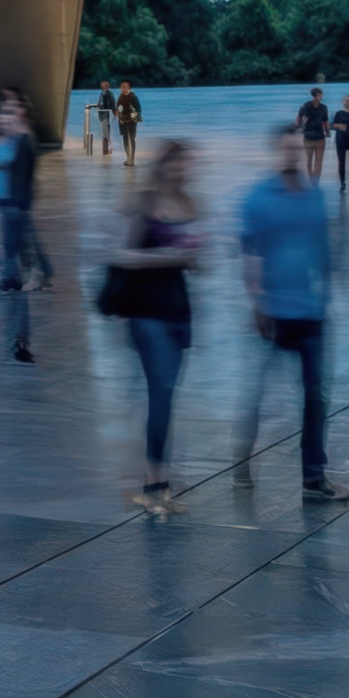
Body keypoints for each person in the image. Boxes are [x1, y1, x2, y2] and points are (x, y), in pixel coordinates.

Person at [236, 126, 348, 502]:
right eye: (283, 149)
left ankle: (313, 477)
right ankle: (242, 457)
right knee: (259, 393)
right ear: (275, 151)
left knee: (316, 394)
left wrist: (330, 290)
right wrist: (256, 302)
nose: (289, 155)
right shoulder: (258, 199)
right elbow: (250, 255)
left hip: (310, 311)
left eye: (293, 149)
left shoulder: (314, 197)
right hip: (272, 313)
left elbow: (324, 249)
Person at [109, 139, 199, 516]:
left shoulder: (190, 205)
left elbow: (198, 259)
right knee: (160, 393)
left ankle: (159, 479)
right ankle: (154, 482)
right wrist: (163, 256)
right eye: (175, 165)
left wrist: (193, 257)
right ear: (162, 167)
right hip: (147, 314)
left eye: (185, 166)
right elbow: (120, 254)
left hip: (178, 310)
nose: (181, 172)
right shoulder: (143, 204)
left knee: (166, 397)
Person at [0, 93, 44, 362]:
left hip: (15, 212)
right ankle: (19, 337)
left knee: (15, 274)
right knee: (13, 271)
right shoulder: (14, 142)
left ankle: (20, 337)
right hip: (11, 210)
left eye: (9, 114)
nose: (3, 118)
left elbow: (25, 178)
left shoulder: (23, 143)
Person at [296, 87, 329, 180]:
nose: (321, 96)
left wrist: (327, 132)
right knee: (309, 160)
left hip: (320, 137)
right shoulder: (305, 106)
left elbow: (325, 121)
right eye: (319, 95)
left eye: (321, 94)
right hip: (308, 137)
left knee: (319, 161)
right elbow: (298, 119)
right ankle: (310, 179)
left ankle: (316, 180)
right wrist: (298, 129)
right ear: (315, 95)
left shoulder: (324, 107)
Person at [331, 94, 349, 193]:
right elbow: (332, 126)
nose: (347, 102)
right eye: (345, 100)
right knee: (341, 163)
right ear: (342, 102)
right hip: (341, 140)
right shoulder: (338, 113)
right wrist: (341, 126)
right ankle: (342, 184)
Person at [116, 80, 141, 166]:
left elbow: (138, 110)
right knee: (125, 140)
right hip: (122, 122)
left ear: (129, 88)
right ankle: (128, 159)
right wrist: (119, 116)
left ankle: (131, 160)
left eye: (125, 87)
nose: (122, 88)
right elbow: (118, 108)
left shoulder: (133, 97)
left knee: (131, 140)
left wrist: (133, 118)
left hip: (131, 122)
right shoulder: (121, 96)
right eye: (121, 87)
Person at [96, 80, 116, 159]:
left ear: (107, 86)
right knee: (105, 132)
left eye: (104, 85)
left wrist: (114, 112)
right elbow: (100, 103)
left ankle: (109, 148)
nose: (102, 86)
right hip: (102, 114)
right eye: (102, 85)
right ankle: (107, 149)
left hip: (106, 115)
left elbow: (113, 102)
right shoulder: (102, 92)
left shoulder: (109, 93)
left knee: (106, 132)